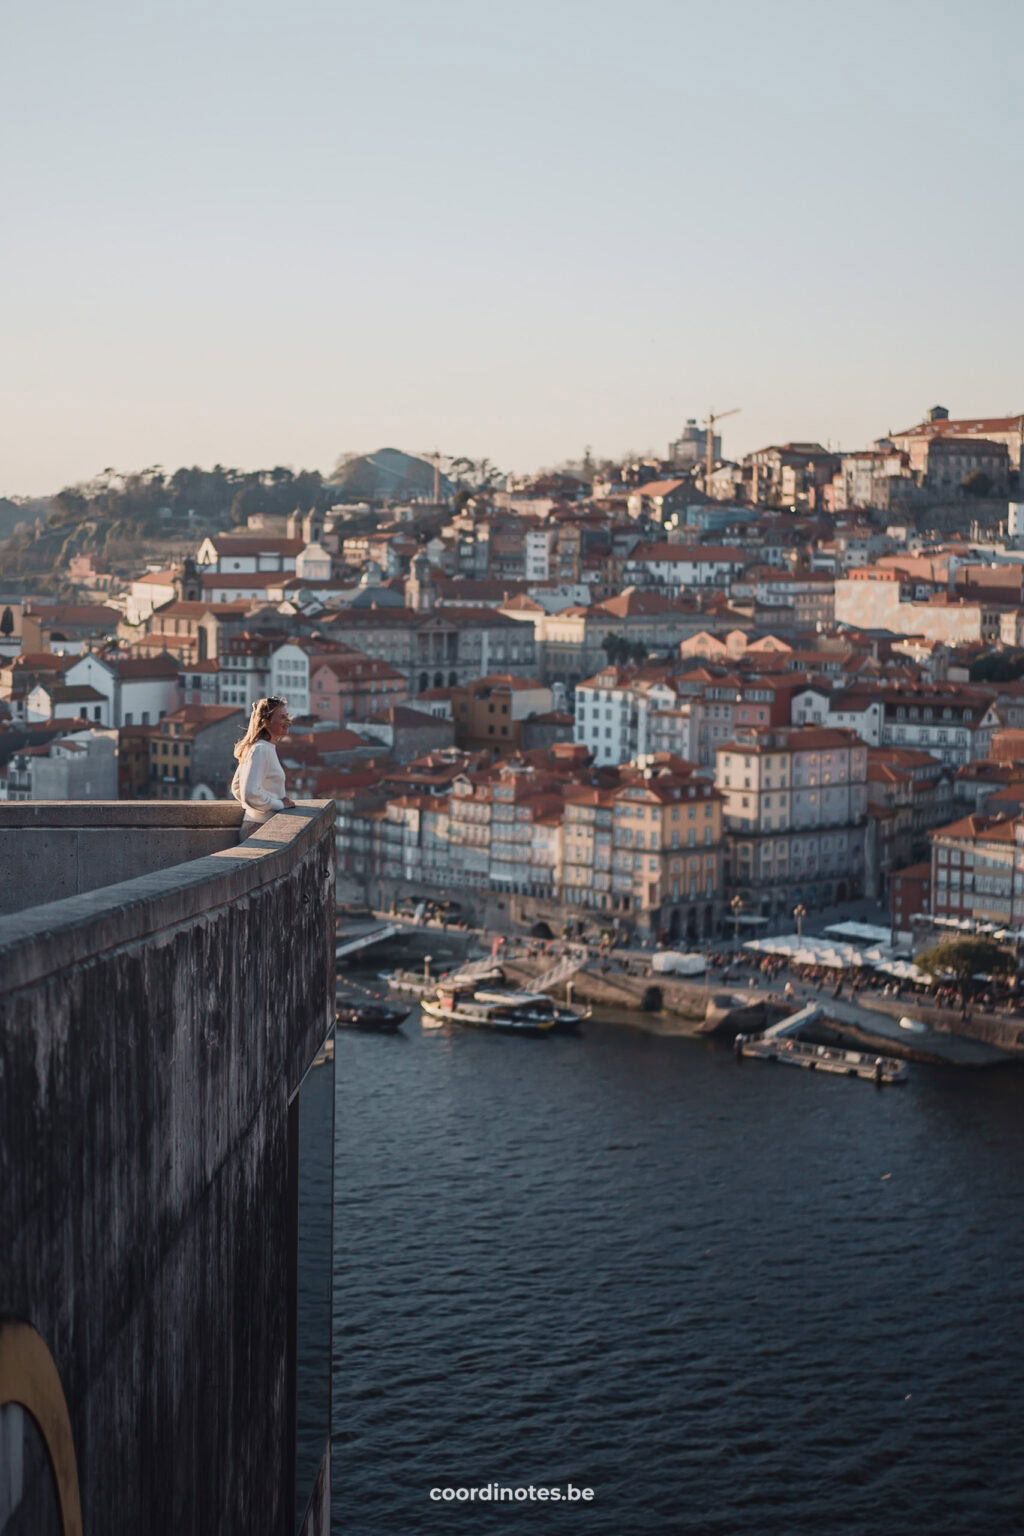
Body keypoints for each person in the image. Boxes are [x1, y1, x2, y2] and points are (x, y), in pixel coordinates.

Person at [230, 696, 295, 841]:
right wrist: (279, 804)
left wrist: (255, 808)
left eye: (287, 716)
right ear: (266, 722)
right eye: (282, 717)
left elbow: (236, 787)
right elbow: (249, 793)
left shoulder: (259, 747)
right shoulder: (261, 750)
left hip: (256, 823)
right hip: (260, 827)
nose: (287, 721)